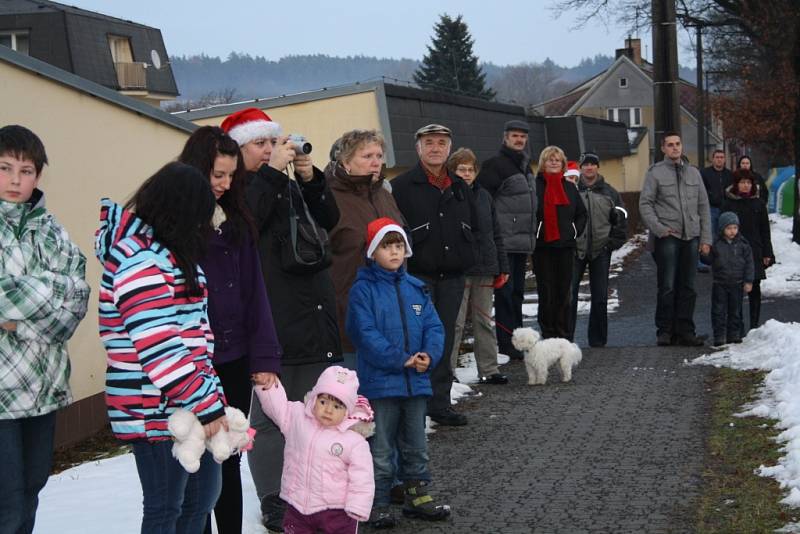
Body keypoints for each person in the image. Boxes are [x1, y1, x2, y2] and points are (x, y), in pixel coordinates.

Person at [221, 107, 341, 531]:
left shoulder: (284, 183)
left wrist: (310, 179)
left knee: (313, 410)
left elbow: (329, 220)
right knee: (268, 416)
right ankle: (272, 498)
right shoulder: (232, 190)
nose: (270, 150)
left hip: (311, 309)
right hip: (270, 315)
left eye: (273, 142)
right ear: (237, 149)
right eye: (260, 144)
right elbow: (246, 223)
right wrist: (273, 172)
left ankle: (312, 489)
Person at [96, 162, 228, 534]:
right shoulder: (138, 262)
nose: (206, 226)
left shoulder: (172, 255)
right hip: (152, 410)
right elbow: (160, 348)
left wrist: (210, 399)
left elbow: (195, 339)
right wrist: (207, 404)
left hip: (186, 405)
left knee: (201, 501)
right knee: (165, 508)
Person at [177, 126, 282, 534]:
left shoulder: (237, 220)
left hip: (235, 357)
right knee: (195, 458)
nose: (222, 184)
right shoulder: (174, 223)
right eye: (215, 174)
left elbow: (256, 292)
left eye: (229, 176)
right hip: (192, 361)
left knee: (229, 457)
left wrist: (265, 356)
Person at [0, 125, 90, 534]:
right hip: (1, 391)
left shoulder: (50, 228)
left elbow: (77, 296)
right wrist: (48, 291)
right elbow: (56, 294)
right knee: (7, 501)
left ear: (39, 174)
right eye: (4, 168)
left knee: (32, 489)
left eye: (26, 170)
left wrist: (19, 318)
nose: (16, 180)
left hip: (44, 387)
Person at [346, 218, 450, 528]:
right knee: (380, 448)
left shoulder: (416, 288)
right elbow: (364, 333)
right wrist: (400, 359)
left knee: (416, 444)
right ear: (372, 252)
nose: (394, 252)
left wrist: (427, 356)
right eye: (386, 246)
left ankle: (416, 495)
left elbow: (434, 326)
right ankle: (375, 503)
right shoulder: (362, 291)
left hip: (415, 382)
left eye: (399, 245)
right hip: (380, 384)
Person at [391, 124, 478, 427]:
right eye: (429, 142)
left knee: (444, 339)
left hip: (453, 277)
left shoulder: (459, 186)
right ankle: (414, 406)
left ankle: (439, 405)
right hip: (417, 278)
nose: (435, 148)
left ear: (449, 148)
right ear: (418, 148)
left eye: (441, 143)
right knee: (415, 340)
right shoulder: (401, 186)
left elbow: (474, 226)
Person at [255, 366, 374, 533]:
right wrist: (266, 385)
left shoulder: (353, 440)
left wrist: (358, 506)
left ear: (348, 410)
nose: (328, 410)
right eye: (323, 401)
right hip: (297, 506)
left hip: (337, 511)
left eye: (337, 406)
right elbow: (278, 406)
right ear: (314, 398)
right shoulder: (298, 418)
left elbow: (362, 477)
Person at [326, 129, 405, 371]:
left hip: (392, 308)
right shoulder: (327, 196)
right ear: (345, 161)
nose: (375, 162)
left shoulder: (384, 194)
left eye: (379, 156)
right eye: (366, 156)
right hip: (348, 309)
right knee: (352, 393)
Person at [639, 131, 712, 346]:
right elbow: (645, 204)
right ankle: (665, 331)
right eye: (670, 145)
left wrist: (706, 238)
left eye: (678, 144)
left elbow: (704, 207)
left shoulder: (694, 173)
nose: (675, 148)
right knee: (668, 285)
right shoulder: (655, 173)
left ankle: (685, 331)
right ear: (663, 148)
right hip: (668, 236)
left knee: (688, 286)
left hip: (691, 236)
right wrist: (659, 229)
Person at [447, 148, 510, 384]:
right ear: (453, 171)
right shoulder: (447, 194)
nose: (466, 173)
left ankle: (489, 369)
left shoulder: (484, 196)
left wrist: (502, 266)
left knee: (484, 321)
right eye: (461, 169)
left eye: (470, 169)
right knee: (455, 323)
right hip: (458, 269)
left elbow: (496, 233)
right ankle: (448, 371)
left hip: (485, 267)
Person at [476, 120, 537, 360]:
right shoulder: (496, 165)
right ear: (505, 138)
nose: (519, 140)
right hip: (505, 241)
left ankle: (519, 339)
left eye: (522, 136)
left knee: (517, 294)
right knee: (505, 293)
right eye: (515, 136)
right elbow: (483, 198)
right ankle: (506, 342)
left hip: (522, 242)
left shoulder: (525, 166)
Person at [569, 152, 627, 348]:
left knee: (600, 297)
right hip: (575, 251)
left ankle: (598, 341)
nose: (589, 168)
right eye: (585, 164)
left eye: (593, 164)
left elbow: (621, 220)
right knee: (569, 296)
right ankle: (566, 339)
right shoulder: (571, 190)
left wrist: (611, 243)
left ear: (597, 167)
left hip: (600, 250)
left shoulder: (610, 192)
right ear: (580, 167)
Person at [533, 145, 587, 340]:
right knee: (546, 292)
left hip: (565, 246)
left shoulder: (570, 187)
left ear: (563, 164)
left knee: (564, 292)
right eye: (550, 159)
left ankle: (564, 334)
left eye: (558, 159)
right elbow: (528, 213)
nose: (554, 162)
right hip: (542, 248)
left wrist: (573, 231)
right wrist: (535, 232)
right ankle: (548, 333)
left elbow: (582, 214)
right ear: (543, 163)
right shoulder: (535, 186)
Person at [722, 169, 774, 331]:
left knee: (755, 286)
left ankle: (754, 324)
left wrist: (768, 252)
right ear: (736, 184)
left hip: (755, 249)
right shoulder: (728, 203)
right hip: (734, 251)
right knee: (735, 288)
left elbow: (765, 230)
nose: (745, 186)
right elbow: (721, 229)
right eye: (742, 182)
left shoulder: (758, 204)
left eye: (748, 183)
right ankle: (738, 324)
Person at [700, 212, 754, 347]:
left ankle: (734, 334)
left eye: (735, 228)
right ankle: (719, 335)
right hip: (720, 283)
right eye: (729, 228)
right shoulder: (716, 244)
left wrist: (748, 281)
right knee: (718, 310)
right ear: (722, 229)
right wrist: (704, 254)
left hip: (737, 282)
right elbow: (709, 260)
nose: (732, 231)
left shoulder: (743, 244)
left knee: (735, 310)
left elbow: (749, 263)